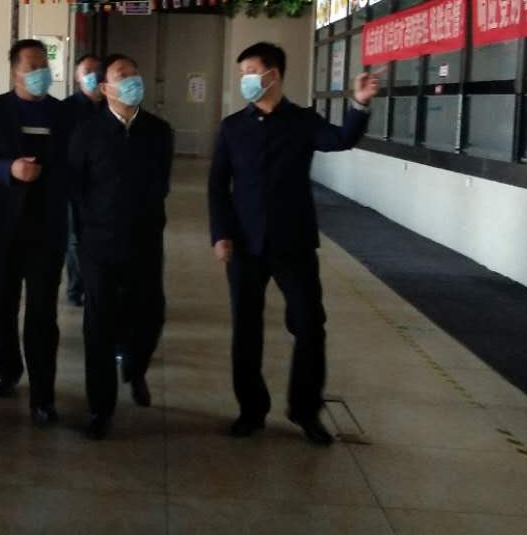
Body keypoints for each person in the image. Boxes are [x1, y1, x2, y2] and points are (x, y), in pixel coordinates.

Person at [208, 42, 379, 446]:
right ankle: (251, 410)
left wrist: (359, 104)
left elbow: (341, 139)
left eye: (252, 71)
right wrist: (221, 234)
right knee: (246, 330)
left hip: (293, 243)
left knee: (308, 325)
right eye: (243, 73)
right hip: (245, 245)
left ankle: (305, 410)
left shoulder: (302, 121)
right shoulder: (233, 127)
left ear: (273, 74)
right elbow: (217, 186)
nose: (246, 79)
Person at [68, 54, 173, 440]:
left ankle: (135, 367)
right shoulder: (87, 132)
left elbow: (162, 183)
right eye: (121, 75)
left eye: (134, 73)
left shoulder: (159, 131)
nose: (132, 80)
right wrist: (87, 230)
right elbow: (76, 186)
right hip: (99, 242)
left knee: (150, 314)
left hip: (145, 238)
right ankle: (101, 407)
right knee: (99, 323)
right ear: (105, 88)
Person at [0, 39, 75, 427]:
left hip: (48, 225)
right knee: (5, 304)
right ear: (15, 70)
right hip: (3, 224)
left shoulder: (64, 114)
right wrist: (8, 169)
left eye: (44, 65)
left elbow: (75, 162)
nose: (39, 73)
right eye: (31, 66)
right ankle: (7, 371)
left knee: (43, 311)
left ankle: (43, 395)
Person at [62, 53, 102, 306]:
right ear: (77, 77)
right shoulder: (66, 109)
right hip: (74, 185)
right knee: (75, 239)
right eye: (87, 71)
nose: (93, 76)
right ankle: (76, 289)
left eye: (97, 71)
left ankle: (96, 286)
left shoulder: (110, 104)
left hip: (102, 185)